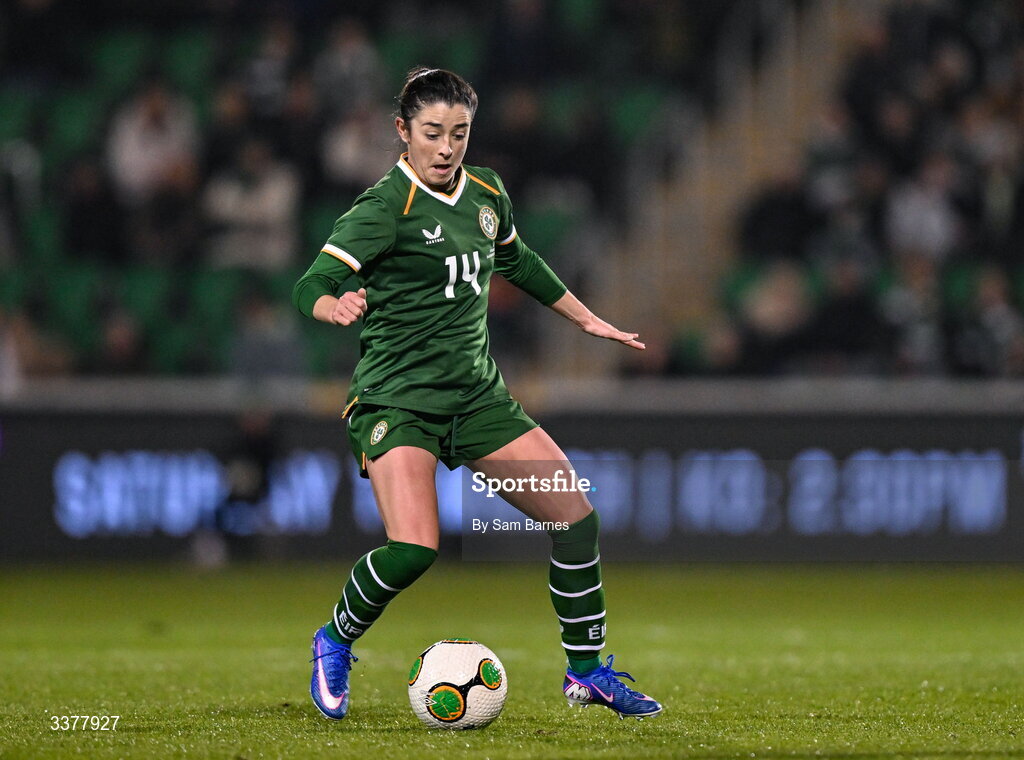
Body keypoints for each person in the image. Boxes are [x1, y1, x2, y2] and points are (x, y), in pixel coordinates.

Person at [292, 68, 662, 721]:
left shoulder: (487, 190)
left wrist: (584, 318)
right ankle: (335, 639)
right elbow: (311, 283)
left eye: (458, 133)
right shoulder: (383, 210)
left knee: (575, 522)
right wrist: (333, 305)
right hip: (397, 400)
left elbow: (515, 259)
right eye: (432, 133)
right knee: (414, 550)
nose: (446, 147)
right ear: (402, 132)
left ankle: (587, 675)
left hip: (478, 399)